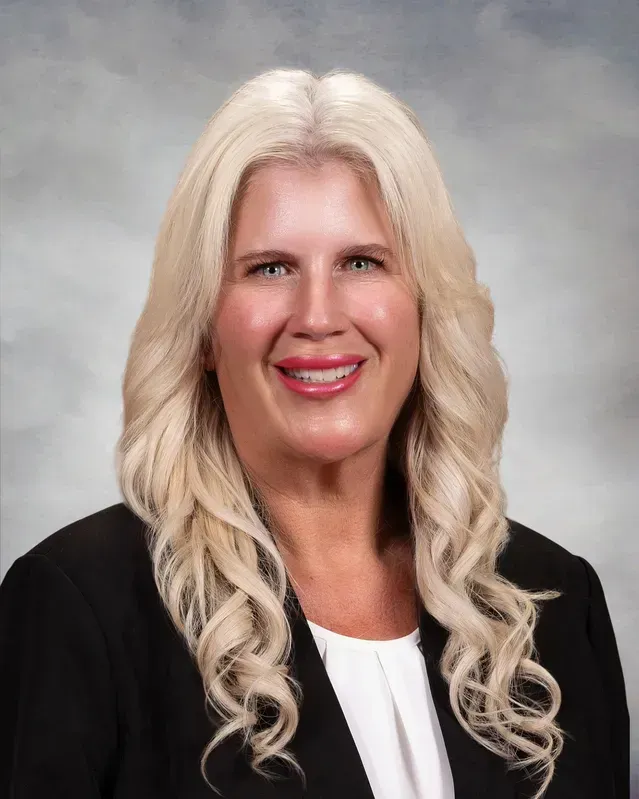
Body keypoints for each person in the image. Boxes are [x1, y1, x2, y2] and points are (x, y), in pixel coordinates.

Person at [0, 67, 629, 799]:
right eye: (269, 268)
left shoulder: (549, 600)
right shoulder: (79, 605)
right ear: (204, 328)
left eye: (362, 262)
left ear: (424, 308)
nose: (318, 314)